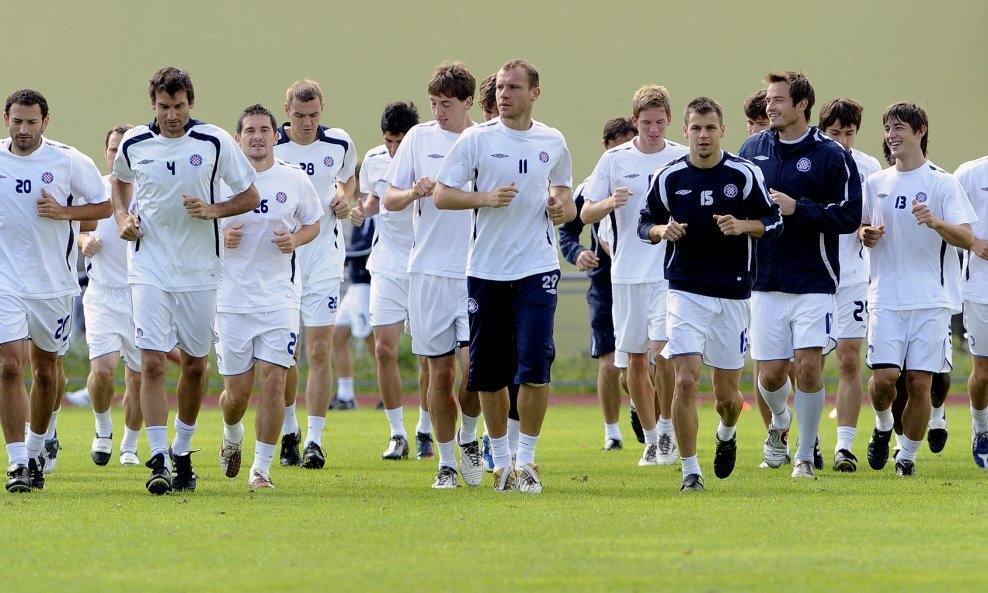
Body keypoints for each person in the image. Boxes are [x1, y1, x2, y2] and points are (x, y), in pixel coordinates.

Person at [111, 67, 260, 495]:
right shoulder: (135, 143)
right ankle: (157, 457)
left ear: (190, 103)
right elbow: (120, 182)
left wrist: (214, 211)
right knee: (152, 362)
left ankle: (182, 449)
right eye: (163, 107)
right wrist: (123, 216)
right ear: (152, 105)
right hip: (149, 266)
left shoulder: (214, 141)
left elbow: (250, 195)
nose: (171, 115)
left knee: (195, 366)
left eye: (178, 106)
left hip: (200, 271)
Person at [435, 58, 575, 494]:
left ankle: (528, 462)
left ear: (534, 93)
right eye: (500, 88)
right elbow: (442, 195)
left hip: (537, 269)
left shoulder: (552, 140)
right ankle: (500, 462)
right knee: (488, 375)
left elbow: (566, 201)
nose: (504, 94)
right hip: (486, 271)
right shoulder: (477, 140)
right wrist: (485, 198)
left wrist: (560, 208)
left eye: (514, 87)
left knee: (534, 366)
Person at [639, 96, 782, 491]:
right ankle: (690, 472)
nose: (703, 135)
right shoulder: (669, 177)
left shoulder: (744, 174)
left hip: (733, 294)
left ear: (722, 131)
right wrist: (659, 231)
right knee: (685, 381)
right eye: (696, 128)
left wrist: (743, 225)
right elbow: (644, 223)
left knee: (727, 397)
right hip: (684, 290)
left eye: (710, 128)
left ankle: (727, 431)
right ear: (684, 131)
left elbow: (774, 222)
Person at [738, 71, 861, 479]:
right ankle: (780, 420)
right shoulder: (752, 148)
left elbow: (848, 216)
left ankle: (804, 457)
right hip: (765, 281)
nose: (769, 106)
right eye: (769, 100)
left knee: (809, 367)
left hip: (814, 281)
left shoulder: (832, 155)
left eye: (778, 100)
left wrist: (799, 208)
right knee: (771, 376)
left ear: (802, 105)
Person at [2, 89, 110, 493]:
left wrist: (65, 213)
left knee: (46, 373)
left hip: (52, 285)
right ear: (6, 119)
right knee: (9, 366)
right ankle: (16, 463)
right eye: (17, 121)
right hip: (5, 283)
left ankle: (35, 451)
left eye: (32, 122)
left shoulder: (68, 160)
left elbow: (103, 208)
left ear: (46, 122)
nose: (24, 129)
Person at [383, 62, 485, 489]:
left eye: (447, 104)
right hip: (427, 270)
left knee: (475, 372)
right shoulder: (418, 139)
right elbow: (389, 198)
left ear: (467, 102)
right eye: (434, 104)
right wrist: (413, 192)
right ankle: (445, 463)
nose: (439, 112)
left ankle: (469, 438)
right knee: (438, 371)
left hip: (476, 270)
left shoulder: (485, 139)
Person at [860, 101, 974, 476]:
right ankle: (881, 427)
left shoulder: (942, 182)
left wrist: (936, 222)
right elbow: (859, 229)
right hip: (886, 298)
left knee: (920, 382)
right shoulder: (875, 183)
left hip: (931, 301)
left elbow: (967, 238)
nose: (891, 136)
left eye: (899, 128)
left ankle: (906, 456)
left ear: (920, 130)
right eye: (888, 129)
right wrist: (866, 235)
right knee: (884, 379)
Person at [581, 85, 688, 466]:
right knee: (635, 362)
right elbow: (585, 212)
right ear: (634, 121)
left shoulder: (680, 157)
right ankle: (651, 438)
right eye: (646, 122)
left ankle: (667, 430)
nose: (653, 129)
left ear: (670, 121)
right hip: (626, 274)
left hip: (668, 274)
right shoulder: (613, 160)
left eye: (660, 122)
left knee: (664, 356)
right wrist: (610, 202)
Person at [217, 104, 322, 490]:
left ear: (276, 136)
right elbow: (195, 227)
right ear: (238, 138)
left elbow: (314, 222)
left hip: (279, 298)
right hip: (230, 300)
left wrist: (294, 239)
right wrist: (219, 236)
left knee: (275, 382)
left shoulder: (293, 180)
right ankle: (231, 434)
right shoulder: (221, 182)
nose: (258, 136)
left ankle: (260, 470)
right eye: (250, 130)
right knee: (238, 394)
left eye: (264, 129)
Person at [273, 79, 355, 470]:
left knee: (319, 349)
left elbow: (347, 178)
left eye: (314, 116)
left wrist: (344, 195)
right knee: (287, 353)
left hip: (324, 258)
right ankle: (288, 429)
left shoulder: (338, 143)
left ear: (323, 110)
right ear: (287, 110)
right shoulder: (270, 145)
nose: (308, 124)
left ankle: (315, 441)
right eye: (300, 116)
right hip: (281, 262)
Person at [349, 102, 433, 460]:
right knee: (384, 349)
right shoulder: (374, 159)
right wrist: (362, 210)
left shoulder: (430, 157)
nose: (394, 149)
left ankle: (426, 428)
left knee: (429, 355)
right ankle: (397, 433)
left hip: (425, 265)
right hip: (385, 264)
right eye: (389, 141)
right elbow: (372, 198)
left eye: (400, 142)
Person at [558, 116, 636, 450]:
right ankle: (612, 432)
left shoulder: (649, 179)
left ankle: (644, 412)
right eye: (617, 147)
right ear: (605, 148)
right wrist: (578, 254)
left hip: (642, 280)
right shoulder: (588, 189)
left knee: (643, 362)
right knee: (607, 362)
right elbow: (567, 230)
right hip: (603, 283)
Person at [817, 98, 882, 471]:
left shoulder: (868, 166)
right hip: (813, 277)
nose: (842, 140)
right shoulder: (811, 162)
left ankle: (844, 446)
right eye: (835, 132)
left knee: (849, 359)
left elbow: (870, 218)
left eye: (849, 132)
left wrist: (867, 231)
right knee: (805, 364)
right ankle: (807, 442)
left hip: (853, 277)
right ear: (823, 130)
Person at [78, 123, 145, 467]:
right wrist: (85, 242)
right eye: (112, 149)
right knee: (103, 372)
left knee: (139, 376)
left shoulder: (151, 190)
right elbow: (81, 231)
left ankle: (130, 445)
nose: (118, 155)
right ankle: (103, 427)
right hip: (103, 294)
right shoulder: (96, 190)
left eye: (125, 148)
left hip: (142, 296)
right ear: (105, 153)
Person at [956, 155, 988, 469]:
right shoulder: (971, 172)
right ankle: (981, 427)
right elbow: (947, 218)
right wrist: (974, 242)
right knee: (984, 373)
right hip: (981, 290)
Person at [330, 194, 375, 411]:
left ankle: (389, 393)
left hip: (366, 284)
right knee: (337, 336)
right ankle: (346, 395)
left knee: (372, 340)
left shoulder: (370, 209)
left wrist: (342, 254)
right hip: (355, 285)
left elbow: (370, 246)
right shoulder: (360, 209)